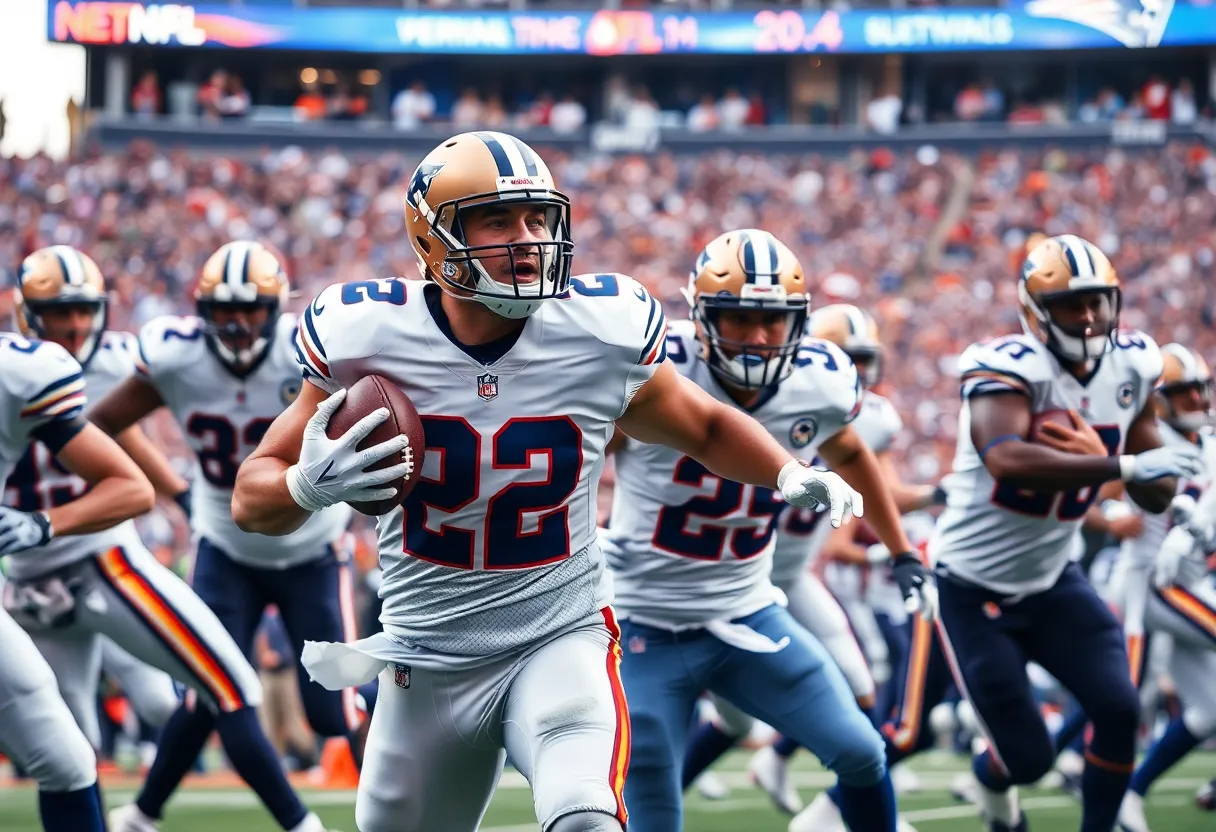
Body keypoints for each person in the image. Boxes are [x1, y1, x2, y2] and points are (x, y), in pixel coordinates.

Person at [230, 131, 866, 832]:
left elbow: (706, 427)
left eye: (537, 218)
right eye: (497, 220)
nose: (528, 239)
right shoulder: (366, 336)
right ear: (434, 236)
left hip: (558, 634)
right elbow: (250, 499)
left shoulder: (599, 330)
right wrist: (306, 488)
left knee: (585, 817)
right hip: (427, 651)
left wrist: (786, 471)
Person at [602, 229, 935, 832]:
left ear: (800, 324)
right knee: (649, 788)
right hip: (640, 620)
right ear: (701, 318)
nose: (757, 338)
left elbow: (853, 452)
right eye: (738, 318)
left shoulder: (822, 380)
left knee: (862, 752)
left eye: (772, 321)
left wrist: (902, 549)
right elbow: (582, 447)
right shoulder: (653, 368)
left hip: (748, 609)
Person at [929, 234, 1201, 832]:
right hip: (972, 589)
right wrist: (1118, 462)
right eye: (1069, 305)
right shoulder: (1006, 365)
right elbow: (1006, 458)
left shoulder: (1134, 363)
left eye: (1097, 302)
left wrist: (1144, 473)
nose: (1087, 317)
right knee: (1029, 760)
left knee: (1119, 707)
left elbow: (1154, 491)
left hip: (1054, 579)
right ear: (1034, 312)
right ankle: (990, 775)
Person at [93, 242, 348, 832]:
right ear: (202, 308)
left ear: (276, 308)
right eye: (225, 309)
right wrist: (173, 488)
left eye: (252, 309)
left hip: (312, 546)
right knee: (213, 689)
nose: (237, 323)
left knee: (330, 709)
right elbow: (103, 424)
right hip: (226, 548)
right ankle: (149, 816)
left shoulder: (307, 350)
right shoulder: (176, 355)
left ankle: (141, 815)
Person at [3, 246, 191, 751]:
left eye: (85, 309)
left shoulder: (115, 361)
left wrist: (184, 493)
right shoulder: (9, 371)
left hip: (101, 549)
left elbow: (127, 438)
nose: (76, 324)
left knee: (159, 703)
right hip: (33, 574)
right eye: (60, 311)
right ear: (28, 315)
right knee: (73, 738)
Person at [0, 325, 155, 832]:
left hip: (83, 570)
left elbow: (130, 485)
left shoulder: (17, 372)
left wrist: (42, 523)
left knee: (67, 759)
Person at [1112, 344, 1216, 832]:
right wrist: (1112, 520)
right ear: (1161, 400)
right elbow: (1103, 491)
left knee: (1210, 709)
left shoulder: (1204, 442)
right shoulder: (1152, 442)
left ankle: (1131, 791)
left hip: (1188, 581)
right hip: (1157, 585)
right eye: (1184, 391)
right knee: (1130, 696)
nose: (1197, 398)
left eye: (1200, 388)